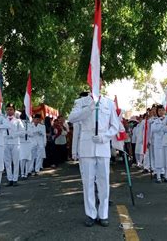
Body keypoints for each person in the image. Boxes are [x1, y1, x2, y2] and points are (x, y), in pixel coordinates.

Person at [68, 85, 120, 227]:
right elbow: (71, 118)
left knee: (104, 182)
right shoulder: (81, 102)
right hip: (86, 147)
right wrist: (89, 107)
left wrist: (105, 137)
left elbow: (115, 126)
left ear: (102, 83)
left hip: (102, 147)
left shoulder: (109, 103)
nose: (96, 84)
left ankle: (103, 214)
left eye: (99, 81)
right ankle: (91, 214)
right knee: (88, 182)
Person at [4, 103, 24, 186]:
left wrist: (13, 135)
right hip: (5, 143)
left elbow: (22, 131)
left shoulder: (18, 121)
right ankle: (10, 179)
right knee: (7, 162)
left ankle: (15, 179)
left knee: (16, 161)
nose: (9, 111)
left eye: (11, 109)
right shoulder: (3, 120)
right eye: (8, 109)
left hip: (15, 142)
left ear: (14, 111)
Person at [151, 105, 167, 183]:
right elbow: (154, 130)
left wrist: (165, 122)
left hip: (166, 143)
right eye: (159, 110)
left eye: (162, 110)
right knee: (158, 160)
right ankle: (158, 177)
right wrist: (161, 124)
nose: (161, 112)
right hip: (158, 143)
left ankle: (166, 176)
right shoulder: (155, 121)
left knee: (166, 160)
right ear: (157, 112)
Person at [19, 113, 33, 179]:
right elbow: (19, 133)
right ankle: (22, 173)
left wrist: (28, 132)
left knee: (27, 158)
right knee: (22, 159)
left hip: (28, 143)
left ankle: (26, 173)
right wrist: (24, 132)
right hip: (22, 142)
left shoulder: (29, 124)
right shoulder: (19, 124)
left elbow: (31, 134)